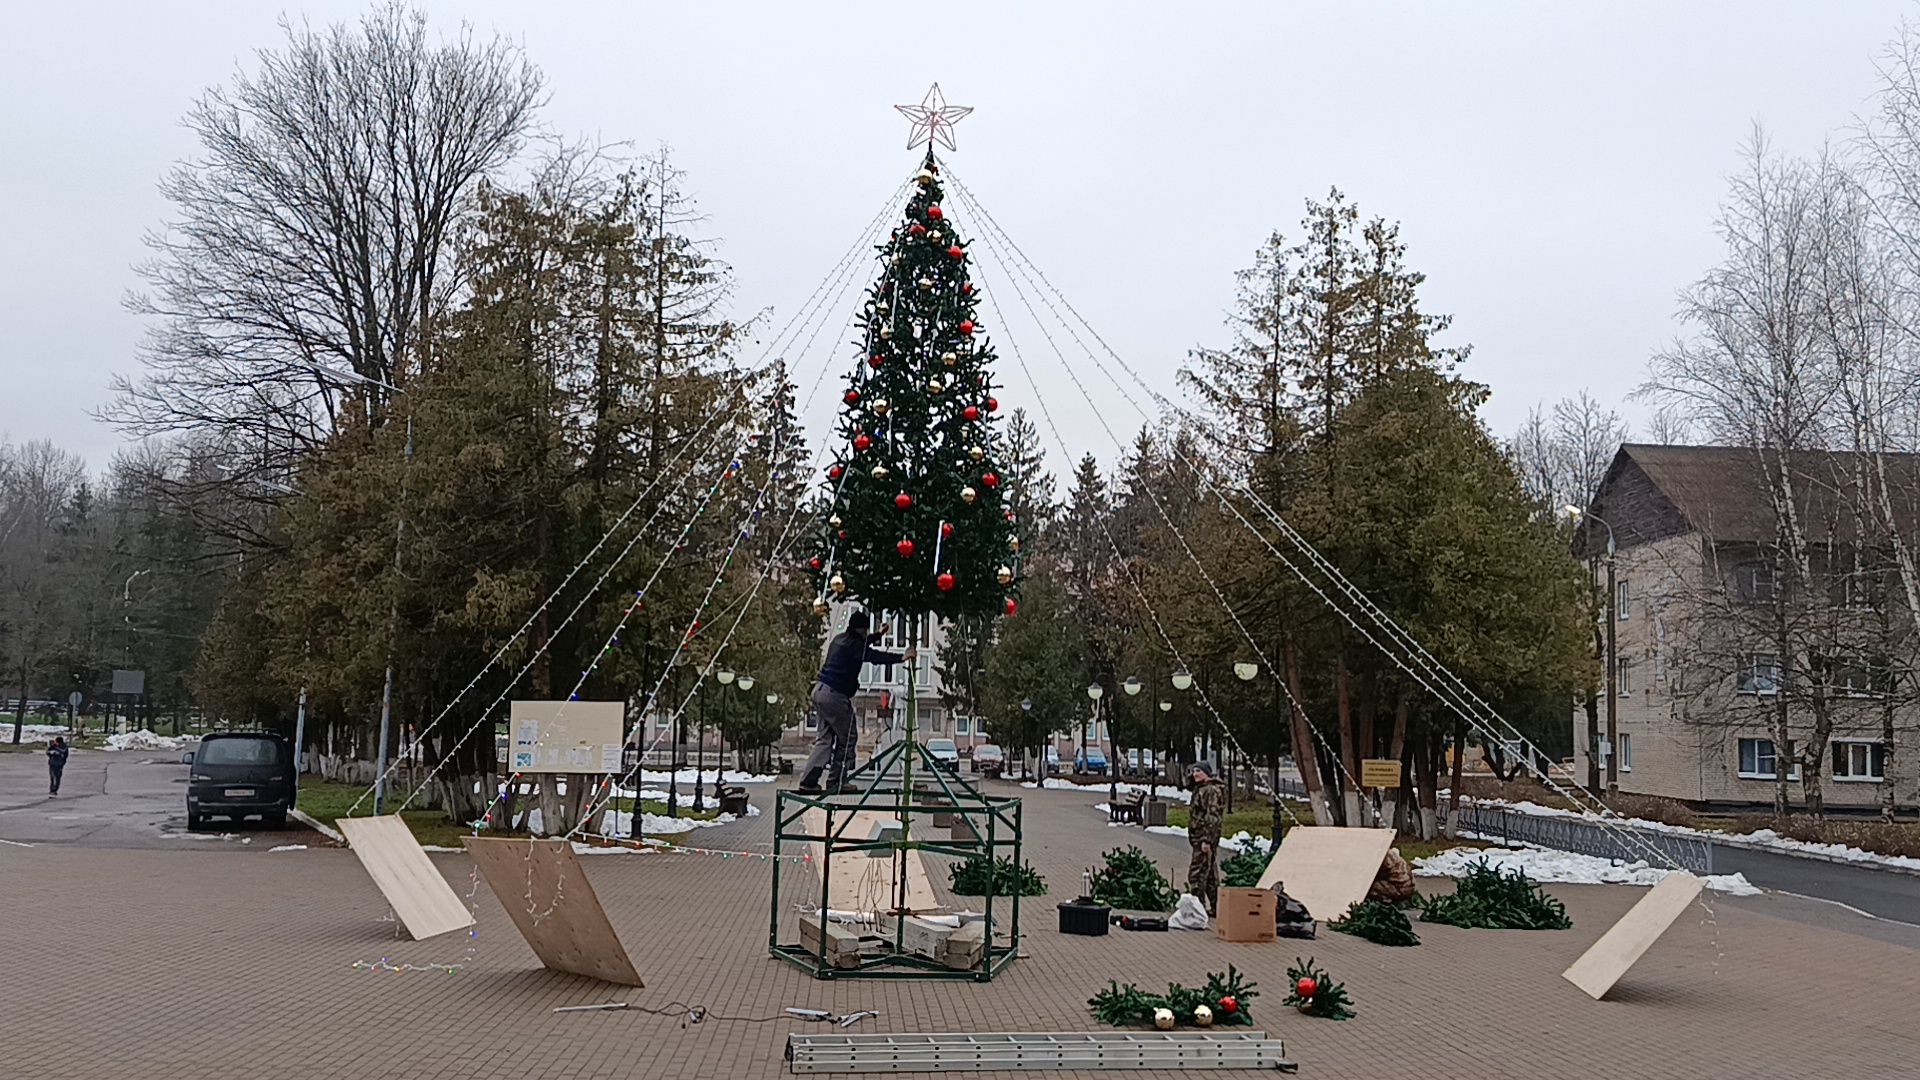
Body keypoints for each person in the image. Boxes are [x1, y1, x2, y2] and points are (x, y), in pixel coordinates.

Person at [798, 611, 915, 795]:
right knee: (849, 736)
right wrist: (901, 658)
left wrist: (879, 635)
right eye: (866, 630)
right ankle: (837, 781)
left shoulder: (839, 639)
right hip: (835, 695)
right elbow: (874, 656)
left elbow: (861, 643)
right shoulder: (855, 646)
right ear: (861, 629)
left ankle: (808, 781)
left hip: (819, 690)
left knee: (825, 739)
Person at [1186, 760, 1226, 916]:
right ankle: (1217, 908)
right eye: (1194, 771)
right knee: (1209, 875)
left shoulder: (1210, 791)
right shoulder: (1201, 788)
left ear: (1207, 773)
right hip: (1200, 838)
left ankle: (1197, 910)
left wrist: (1206, 840)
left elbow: (1212, 816)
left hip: (1204, 839)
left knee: (1196, 875)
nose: (1195, 774)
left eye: (1199, 771)